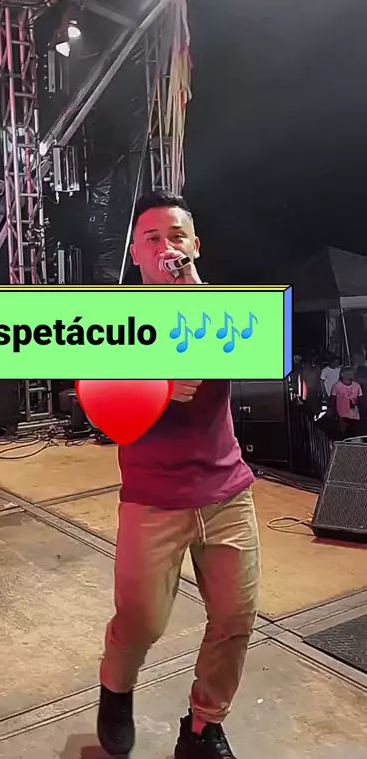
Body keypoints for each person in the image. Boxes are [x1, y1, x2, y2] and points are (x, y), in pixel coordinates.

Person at [97, 191, 259, 759]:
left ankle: (203, 727)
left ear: (195, 246)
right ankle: (116, 689)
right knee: (141, 621)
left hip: (225, 491)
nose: (165, 247)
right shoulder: (114, 322)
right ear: (135, 254)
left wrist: (189, 288)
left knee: (235, 617)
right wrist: (158, 389)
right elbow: (103, 408)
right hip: (153, 496)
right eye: (152, 238)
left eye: (176, 237)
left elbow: (245, 351)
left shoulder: (222, 307)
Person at [331, 367, 363, 438]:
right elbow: (333, 401)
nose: (351, 374)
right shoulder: (336, 386)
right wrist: (336, 415)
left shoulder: (357, 385)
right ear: (342, 374)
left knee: (354, 436)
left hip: (355, 416)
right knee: (343, 437)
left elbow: (360, 400)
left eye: (352, 372)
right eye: (349, 372)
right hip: (342, 416)